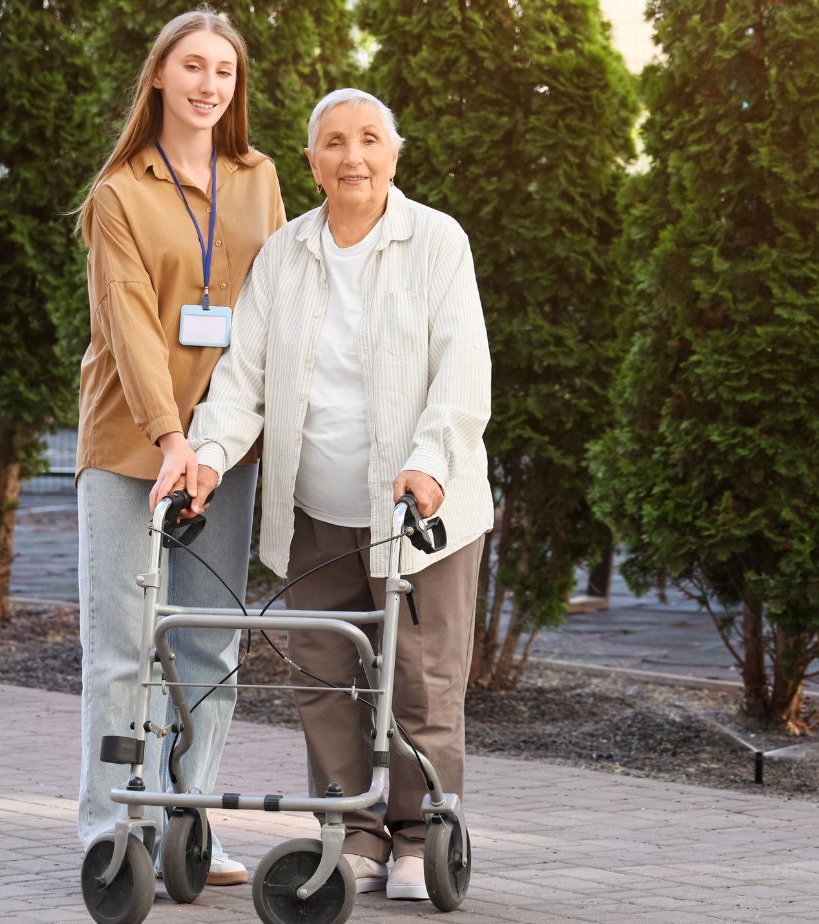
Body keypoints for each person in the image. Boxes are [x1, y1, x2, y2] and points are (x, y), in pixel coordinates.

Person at [187, 87, 492, 901]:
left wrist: (430, 461)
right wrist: (209, 456)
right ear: (312, 160)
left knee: (420, 680)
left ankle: (421, 837)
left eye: (368, 140)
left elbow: (463, 372)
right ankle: (350, 831)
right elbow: (241, 377)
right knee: (325, 674)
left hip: (419, 513)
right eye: (333, 143)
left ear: (395, 152)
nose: (352, 156)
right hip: (315, 508)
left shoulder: (436, 241)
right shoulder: (284, 253)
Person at [72, 7, 284, 886]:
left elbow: (274, 311)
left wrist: (217, 443)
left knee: (208, 643)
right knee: (122, 645)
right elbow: (125, 323)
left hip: (224, 451)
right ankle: (111, 831)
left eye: (224, 72)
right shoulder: (119, 193)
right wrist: (169, 437)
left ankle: (188, 828)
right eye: (193, 66)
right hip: (132, 444)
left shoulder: (258, 176)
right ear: (158, 75)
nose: (208, 85)